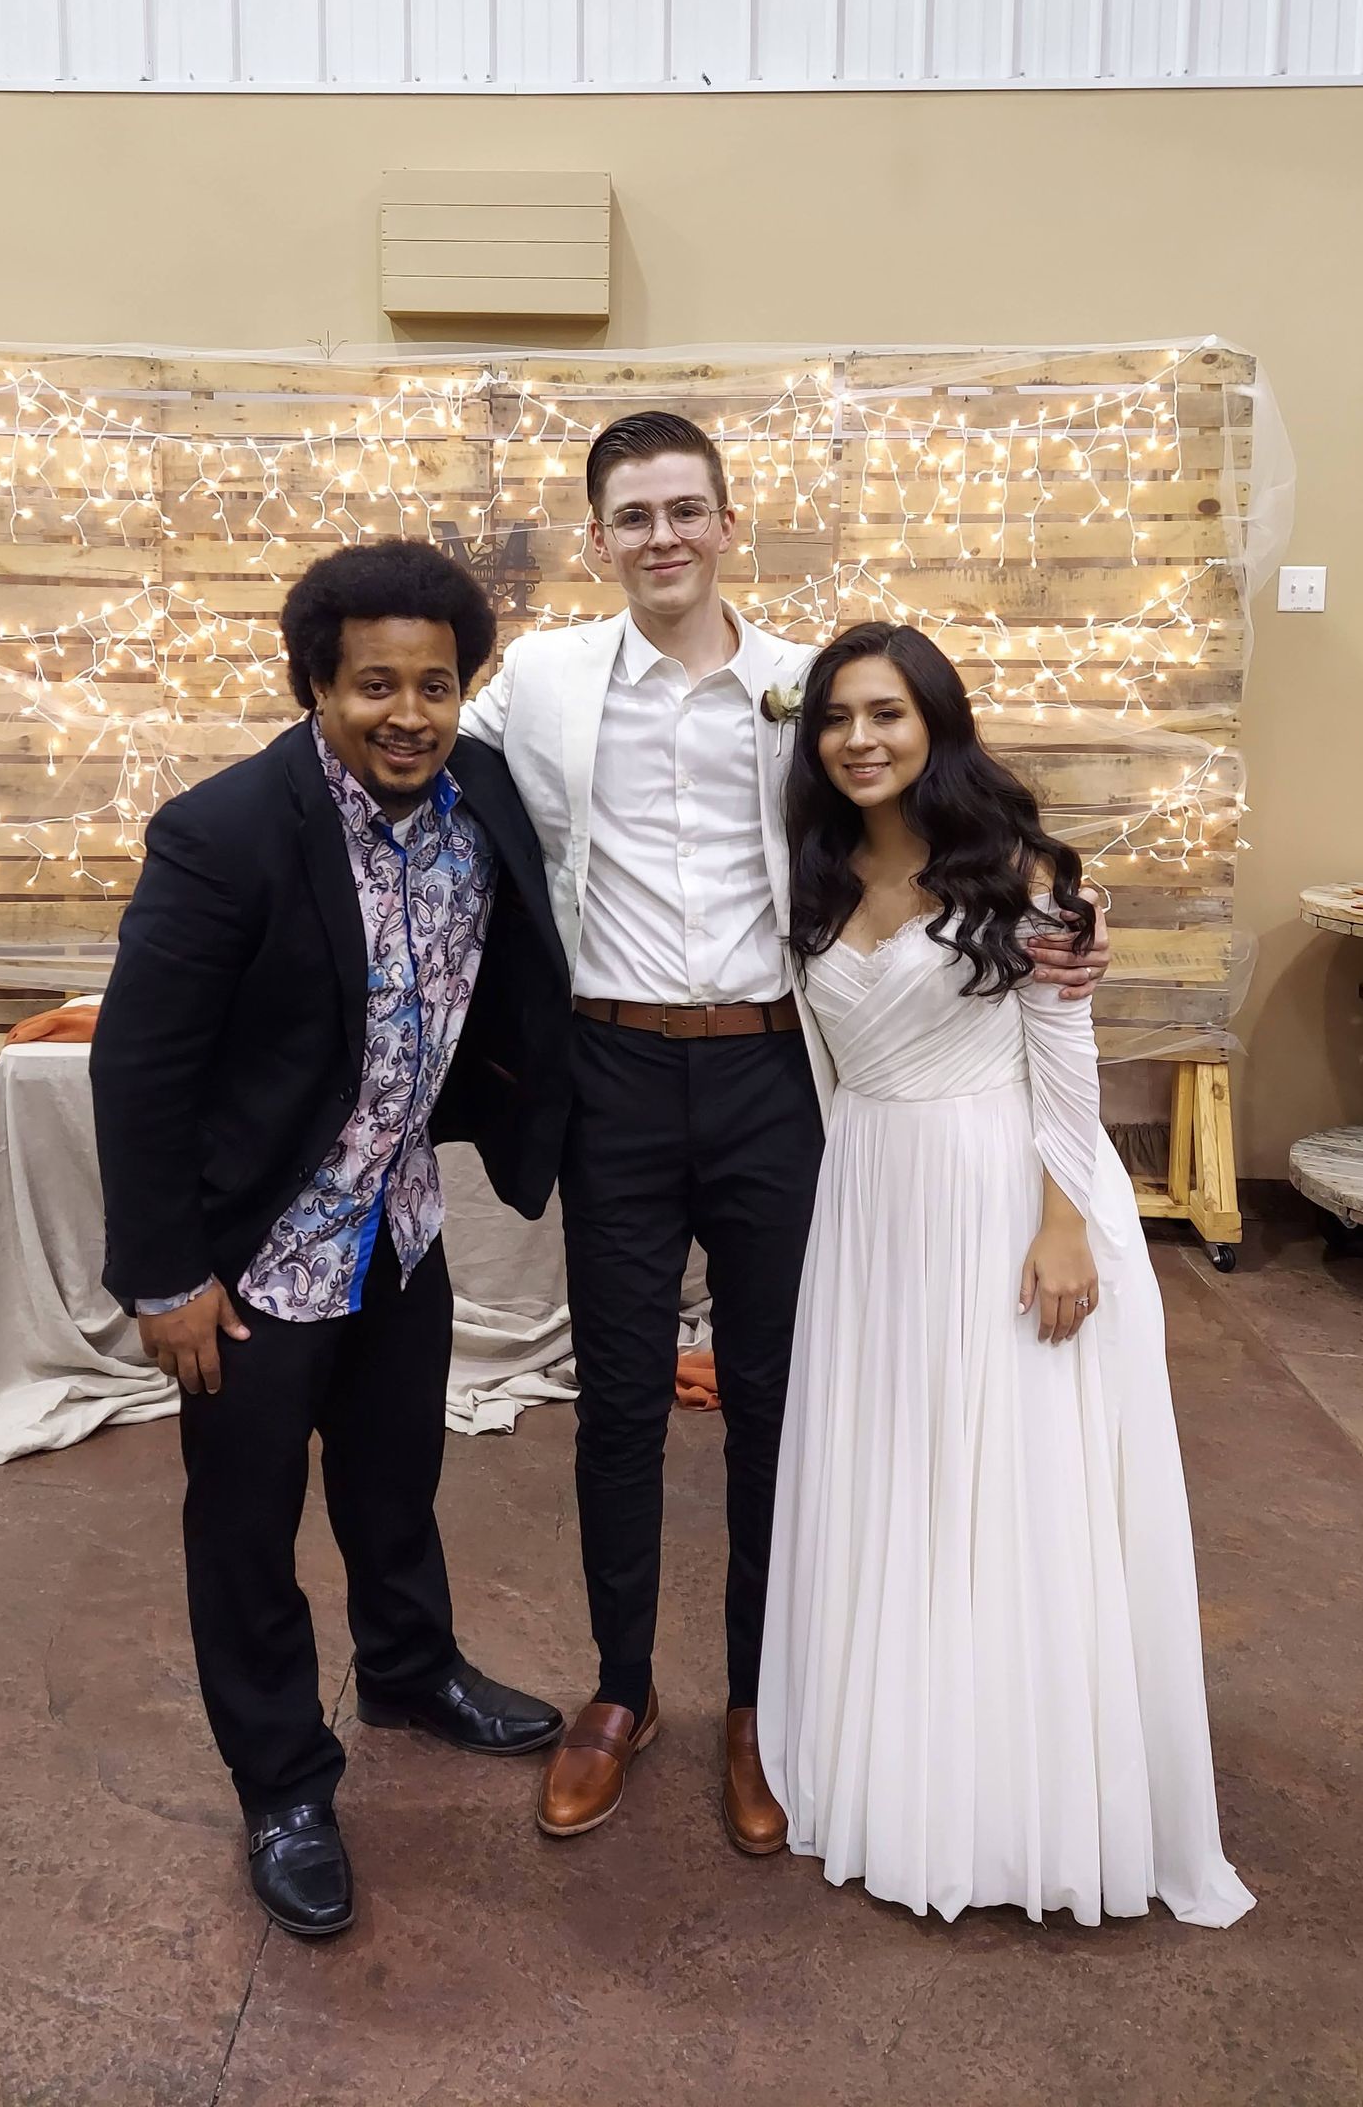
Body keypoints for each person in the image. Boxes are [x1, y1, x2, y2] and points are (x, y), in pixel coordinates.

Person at [456, 413, 1109, 1852]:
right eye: (635, 517)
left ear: (728, 522)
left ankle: (765, 1702)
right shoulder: (546, 680)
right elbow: (425, 753)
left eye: (686, 509)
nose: (664, 538)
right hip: (613, 1073)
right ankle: (622, 1689)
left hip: (775, 1078)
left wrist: (1052, 914)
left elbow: (928, 810)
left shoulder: (811, 690)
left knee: (777, 1400)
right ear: (599, 538)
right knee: (619, 1399)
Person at [90, 540, 573, 1941]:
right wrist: (168, 1274)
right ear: (317, 685)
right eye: (375, 685)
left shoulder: (484, 798)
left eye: (435, 686)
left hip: (399, 1232)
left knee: (394, 1483)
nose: (407, 715)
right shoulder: (224, 832)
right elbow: (140, 1068)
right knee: (247, 1533)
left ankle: (412, 1671)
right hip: (256, 1261)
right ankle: (285, 1784)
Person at [754, 622, 1254, 1930]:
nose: (859, 739)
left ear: (936, 723)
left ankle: (1017, 1791)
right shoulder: (812, 868)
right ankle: (891, 1746)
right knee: (893, 1468)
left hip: (1001, 1192)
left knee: (1005, 1477)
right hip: (870, 1200)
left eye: (887, 713)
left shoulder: (1021, 876)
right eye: (836, 717)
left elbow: (1065, 1061)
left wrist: (1066, 1224)